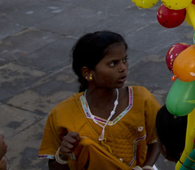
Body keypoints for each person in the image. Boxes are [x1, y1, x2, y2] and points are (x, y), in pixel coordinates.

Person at [39, 31, 161, 170]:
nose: (123, 68)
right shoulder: (62, 114)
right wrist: (63, 154)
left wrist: (147, 166)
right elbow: (54, 167)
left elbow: (157, 138)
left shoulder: (141, 98)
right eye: (113, 63)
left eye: (124, 60)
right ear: (87, 73)